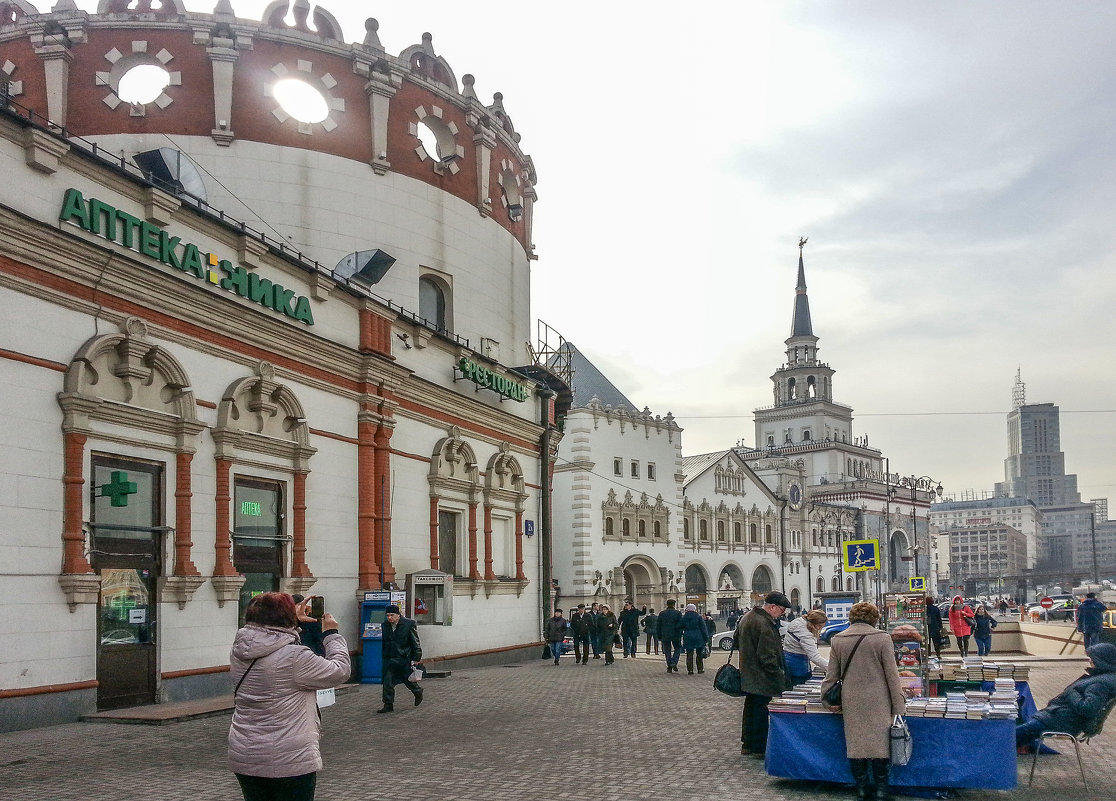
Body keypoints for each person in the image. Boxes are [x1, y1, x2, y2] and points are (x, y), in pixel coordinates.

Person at [228, 592, 350, 801]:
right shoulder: (295, 657)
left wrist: (290, 624)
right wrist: (332, 635)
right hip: (289, 759)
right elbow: (340, 671)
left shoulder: (240, 649)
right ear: (285, 618)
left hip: (245, 753)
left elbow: (271, 642)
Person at [820, 601, 905, 801]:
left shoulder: (839, 639)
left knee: (856, 743)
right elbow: (892, 675)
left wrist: (825, 698)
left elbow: (832, 675)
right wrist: (898, 705)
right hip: (879, 698)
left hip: (852, 698)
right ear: (874, 619)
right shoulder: (882, 638)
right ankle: (881, 790)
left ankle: (861, 788)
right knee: (880, 744)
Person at [1016, 643, 1116, 748]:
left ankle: (1002, 747)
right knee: (1026, 729)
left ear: (1102, 660)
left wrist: (1071, 692)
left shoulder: (1099, 684)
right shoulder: (1103, 678)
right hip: (1062, 717)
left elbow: (1088, 709)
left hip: (1063, 720)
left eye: (1092, 658)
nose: (1090, 661)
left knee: (1018, 732)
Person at [737, 591, 791, 757]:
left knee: (751, 711)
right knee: (761, 713)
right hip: (762, 678)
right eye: (781, 610)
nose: (782, 614)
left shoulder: (747, 617)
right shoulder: (764, 624)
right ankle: (759, 748)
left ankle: (748, 744)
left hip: (750, 674)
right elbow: (767, 656)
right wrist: (779, 676)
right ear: (772, 607)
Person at [377, 604, 423, 713]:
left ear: (398, 615)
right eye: (387, 615)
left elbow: (415, 642)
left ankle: (418, 692)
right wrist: (384, 656)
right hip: (390, 658)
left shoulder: (409, 624)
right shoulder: (385, 626)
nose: (389, 618)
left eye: (391, 615)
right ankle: (388, 704)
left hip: (404, 658)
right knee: (387, 681)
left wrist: (416, 657)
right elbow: (384, 642)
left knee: (408, 680)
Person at [783, 610, 828, 686]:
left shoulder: (798, 621)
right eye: (820, 626)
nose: (820, 629)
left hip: (787, 659)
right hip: (797, 666)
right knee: (798, 686)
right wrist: (832, 667)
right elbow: (814, 657)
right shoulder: (806, 634)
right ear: (814, 624)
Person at [656, 598, 683, 673]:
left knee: (667, 650)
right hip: (675, 634)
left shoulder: (662, 613)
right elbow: (680, 624)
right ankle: (674, 662)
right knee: (678, 648)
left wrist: (659, 635)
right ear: (674, 605)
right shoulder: (678, 613)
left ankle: (669, 666)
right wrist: (680, 633)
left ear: (667, 605)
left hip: (665, 634)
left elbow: (658, 625)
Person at [681, 603, 707, 675]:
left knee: (689, 654)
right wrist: (706, 638)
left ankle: (690, 670)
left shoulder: (684, 617)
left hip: (688, 636)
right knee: (699, 654)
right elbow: (703, 628)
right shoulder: (698, 617)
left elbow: (680, 626)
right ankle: (700, 669)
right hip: (698, 636)